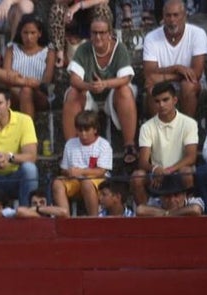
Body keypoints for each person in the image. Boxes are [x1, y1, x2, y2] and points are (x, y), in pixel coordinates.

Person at [61, 16, 137, 166]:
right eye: (94, 33)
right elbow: (74, 79)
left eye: (102, 32)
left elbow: (125, 78)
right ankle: (69, 148)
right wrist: (90, 86)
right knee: (73, 93)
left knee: (125, 91)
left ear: (110, 33)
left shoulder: (119, 48)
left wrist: (105, 84)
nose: (98, 36)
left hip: (111, 94)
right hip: (90, 95)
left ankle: (129, 145)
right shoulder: (84, 48)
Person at [131, 81, 198, 205]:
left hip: (178, 171)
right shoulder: (147, 127)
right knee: (137, 176)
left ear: (175, 100)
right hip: (156, 174)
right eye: (157, 101)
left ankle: (188, 209)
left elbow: (191, 157)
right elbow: (143, 161)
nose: (161, 105)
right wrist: (156, 169)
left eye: (165, 100)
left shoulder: (189, 123)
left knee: (187, 172)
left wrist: (169, 170)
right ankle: (145, 215)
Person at [141, 0, 207, 119]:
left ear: (184, 16)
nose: (172, 20)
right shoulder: (151, 38)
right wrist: (177, 68)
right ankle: (160, 133)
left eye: (176, 15)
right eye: (168, 15)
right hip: (163, 83)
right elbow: (149, 73)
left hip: (192, 83)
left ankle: (187, 132)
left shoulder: (198, 34)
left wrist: (163, 76)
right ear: (163, 16)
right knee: (152, 86)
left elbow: (196, 74)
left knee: (188, 85)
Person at [0, 13, 55, 120]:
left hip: (39, 93)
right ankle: (26, 82)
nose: (29, 37)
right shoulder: (12, 48)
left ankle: (27, 131)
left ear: (39, 33)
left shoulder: (48, 51)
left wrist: (28, 86)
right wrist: (24, 82)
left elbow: (46, 82)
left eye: (33, 33)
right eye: (25, 33)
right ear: (20, 33)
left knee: (26, 91)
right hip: (15, 91)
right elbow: (7, 75)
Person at [51, 108, 112, 216]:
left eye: (87, 130)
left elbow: (101, 171)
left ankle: (93, 219)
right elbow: (64, 169)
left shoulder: (103, 145)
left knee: (86, 183)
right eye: (80, 130)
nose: (83, 134)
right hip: (74, 181)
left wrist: (81, 172)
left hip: (97, 182)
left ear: (95, 129)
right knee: (57, 183)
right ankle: (65, 219)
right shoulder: (70, 144)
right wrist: (69, 172)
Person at [48, 0, 113, 70]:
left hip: (91, 14)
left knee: (102, 9)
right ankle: (60, 54)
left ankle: (103, 50)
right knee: (57, 9)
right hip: (70, 16)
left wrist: (79, 5)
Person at [135, 170, 204, 215]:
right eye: (167, 196)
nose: (172, 200)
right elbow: (140, 210)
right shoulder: (156, 202)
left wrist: (168, 214)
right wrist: (169, 213)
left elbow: (195, 210)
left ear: (184, 195)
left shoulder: (193, 201)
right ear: (161, 197)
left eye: (176, 195)